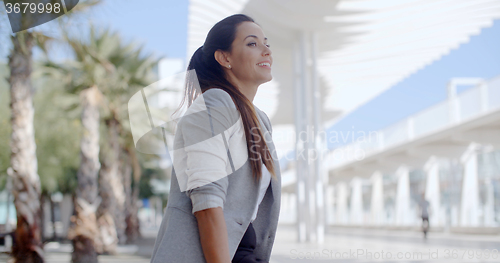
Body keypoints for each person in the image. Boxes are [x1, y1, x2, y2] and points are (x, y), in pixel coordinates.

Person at [150, 14, 281, 263]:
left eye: (267, 43)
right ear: (224, 58)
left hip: (242, 250)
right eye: (252, 43)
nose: (266, 50)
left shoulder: (259, 120)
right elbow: (208, 204)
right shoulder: (213, 104)